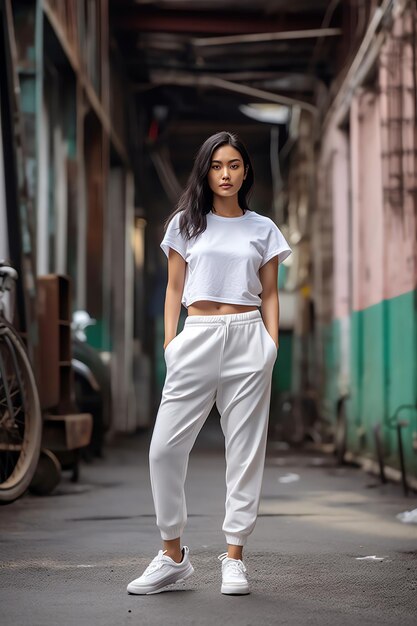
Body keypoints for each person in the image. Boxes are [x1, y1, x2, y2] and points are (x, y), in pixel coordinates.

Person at [127, 131, 292, 596]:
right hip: (195, 337)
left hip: (247, 337)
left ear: (245, 171)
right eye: (217, 165)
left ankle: (235, 556)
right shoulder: (185, 224)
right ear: (205, 171)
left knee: (244, 451)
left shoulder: (263, 228)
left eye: (234, 165)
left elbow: (272, 291)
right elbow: (174, 290)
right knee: (164, 449)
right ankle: (172, 555)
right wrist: (170, 344)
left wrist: (270, 345)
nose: (225, 174)